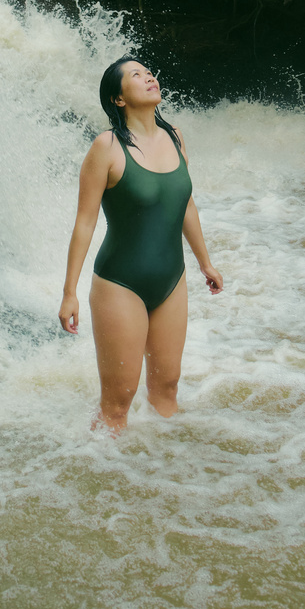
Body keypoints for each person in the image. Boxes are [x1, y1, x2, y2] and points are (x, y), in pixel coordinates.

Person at [58, 56, 223, 433]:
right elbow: (84, 223)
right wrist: (69, 292)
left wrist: (205, 262)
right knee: (118, 403)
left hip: (171, 279)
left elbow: (185, 203)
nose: (149, 77)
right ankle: (102, 473)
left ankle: (160, 476)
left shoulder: (174, 136)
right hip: (120, 283)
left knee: (167, 387)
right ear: (118, 99)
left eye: (148, 72)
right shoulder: (106, 147)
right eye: (136, 75)